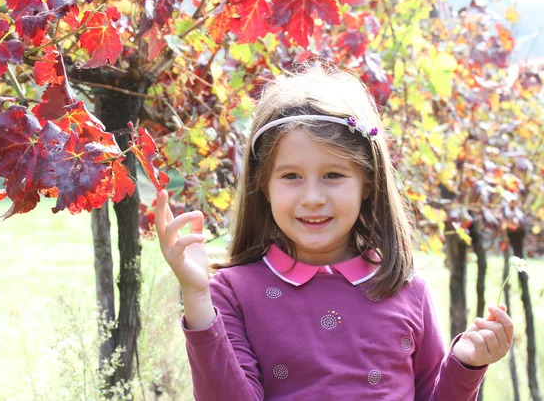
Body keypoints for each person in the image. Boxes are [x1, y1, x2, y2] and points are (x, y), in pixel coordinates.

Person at [154, 63, 514, 400]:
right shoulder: (233, 292)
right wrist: (197, 298)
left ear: (367, 183)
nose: (312, 198)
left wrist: (466, 364)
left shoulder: (407, 290)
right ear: (263, 186)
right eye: (291, 176)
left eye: (333, 175)